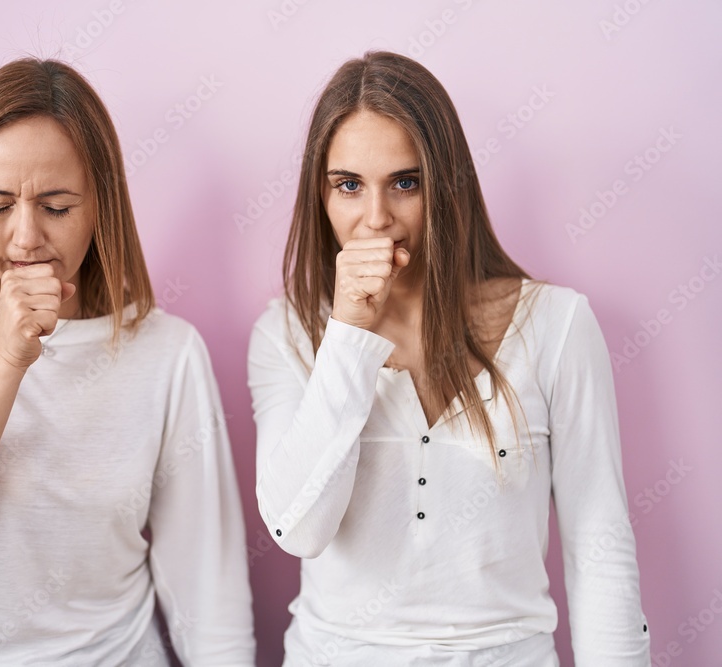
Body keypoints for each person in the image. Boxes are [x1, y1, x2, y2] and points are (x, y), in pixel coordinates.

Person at [0, 57, 255, 666]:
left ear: (100, 207)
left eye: (57, 207)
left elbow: (207, 586)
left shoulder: (168, 353)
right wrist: (7, 358)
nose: (25, 237)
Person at [248, 51, 649, 666]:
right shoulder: (286, 334)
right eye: (349, 185)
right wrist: (350, 333)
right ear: (320, 193)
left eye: (406, 183)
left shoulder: (557, 324)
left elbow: (601, 547)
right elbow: (299, 529)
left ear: (447, 182)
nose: (376, 219)